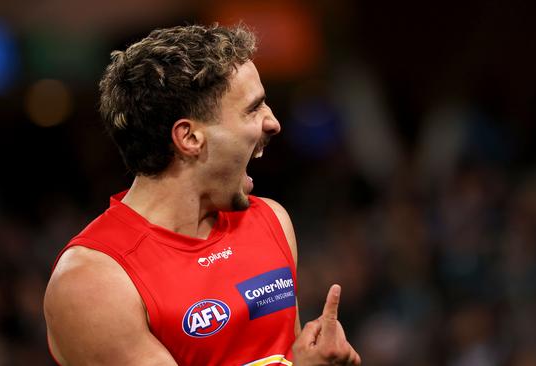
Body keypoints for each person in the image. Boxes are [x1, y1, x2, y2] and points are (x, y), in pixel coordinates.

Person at [43, 24, 361, 366]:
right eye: (253, 108)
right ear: (190, 137)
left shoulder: (271, 221)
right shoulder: (93, 281)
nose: (273, 123)